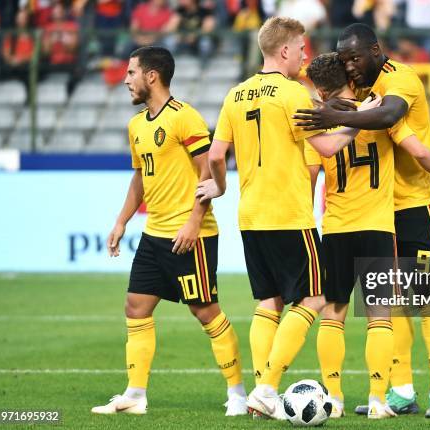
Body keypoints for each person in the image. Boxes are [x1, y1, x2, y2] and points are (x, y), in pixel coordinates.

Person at [195, 17, 380, 420]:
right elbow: (328, 148)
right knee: (313, 298)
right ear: (283, 51)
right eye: (300, 48)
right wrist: (359, 117)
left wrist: (219, 187)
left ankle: (260, 393)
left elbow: (213, 156)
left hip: (250, 214)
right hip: (289, 213)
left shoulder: (236, 94)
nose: (305, 54)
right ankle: (266, 388)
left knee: (268, 301)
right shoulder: (292, 94)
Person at [293, 22, 430, 419]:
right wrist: (339, 109)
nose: (350, 66)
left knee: (428, 297)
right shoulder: (358, 95)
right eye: (344, 61)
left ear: (376, 50)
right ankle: (399, 390)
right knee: (391, 304)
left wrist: (331, 111)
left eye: (355, 58)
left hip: (418, 202)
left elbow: (390, 116)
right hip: (380, 212)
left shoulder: (400, 79)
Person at [91, 46, 246, 417]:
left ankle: (239, 395)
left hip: (190, 234)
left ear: (152, 76)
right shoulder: (137, 124)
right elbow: (140, 177)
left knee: (205, 310)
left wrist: (194, 220)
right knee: (136, 306)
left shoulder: (185, 118)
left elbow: (206, 171)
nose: (126, 80)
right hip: (154, 232)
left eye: (131, 73)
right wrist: (121, 220)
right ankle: (135, 394)